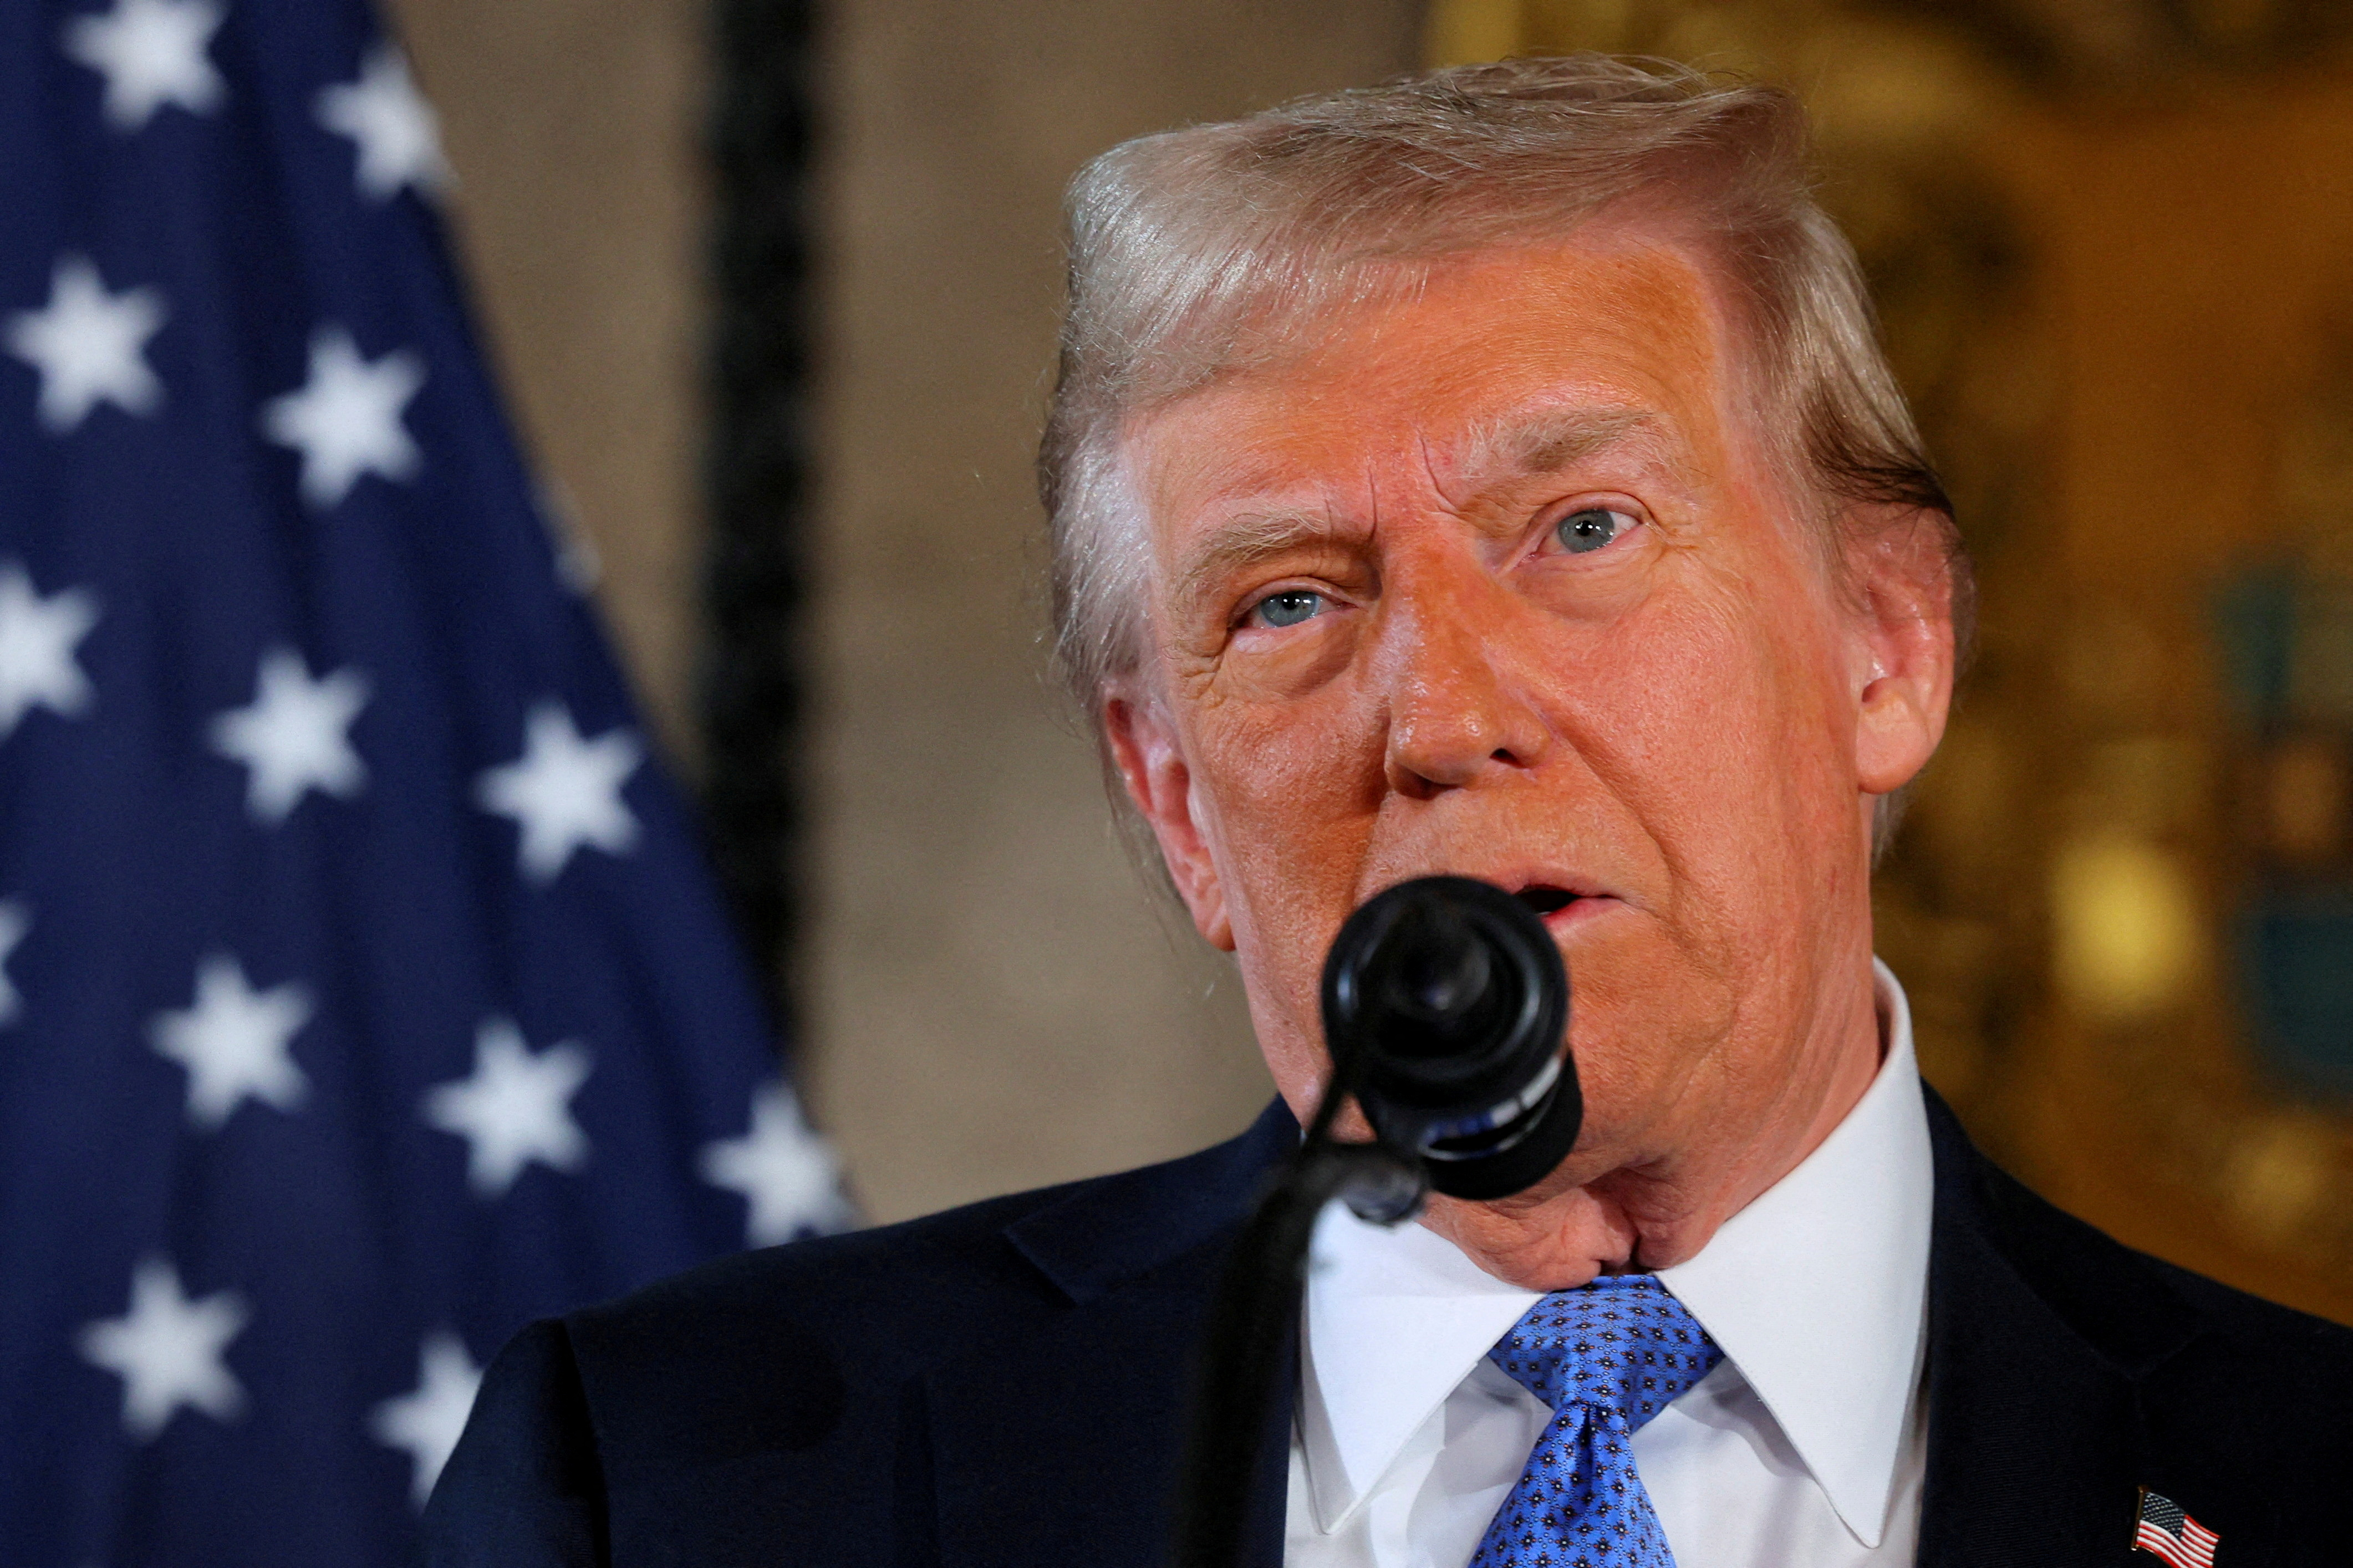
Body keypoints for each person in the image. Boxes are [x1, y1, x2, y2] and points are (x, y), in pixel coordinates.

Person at [425, 55, 2353, 1567]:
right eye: (1288, 603)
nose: (1438, 713)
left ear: (1885, 646)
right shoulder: (684, 1490)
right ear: (1177, 804)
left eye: (1580, 529)